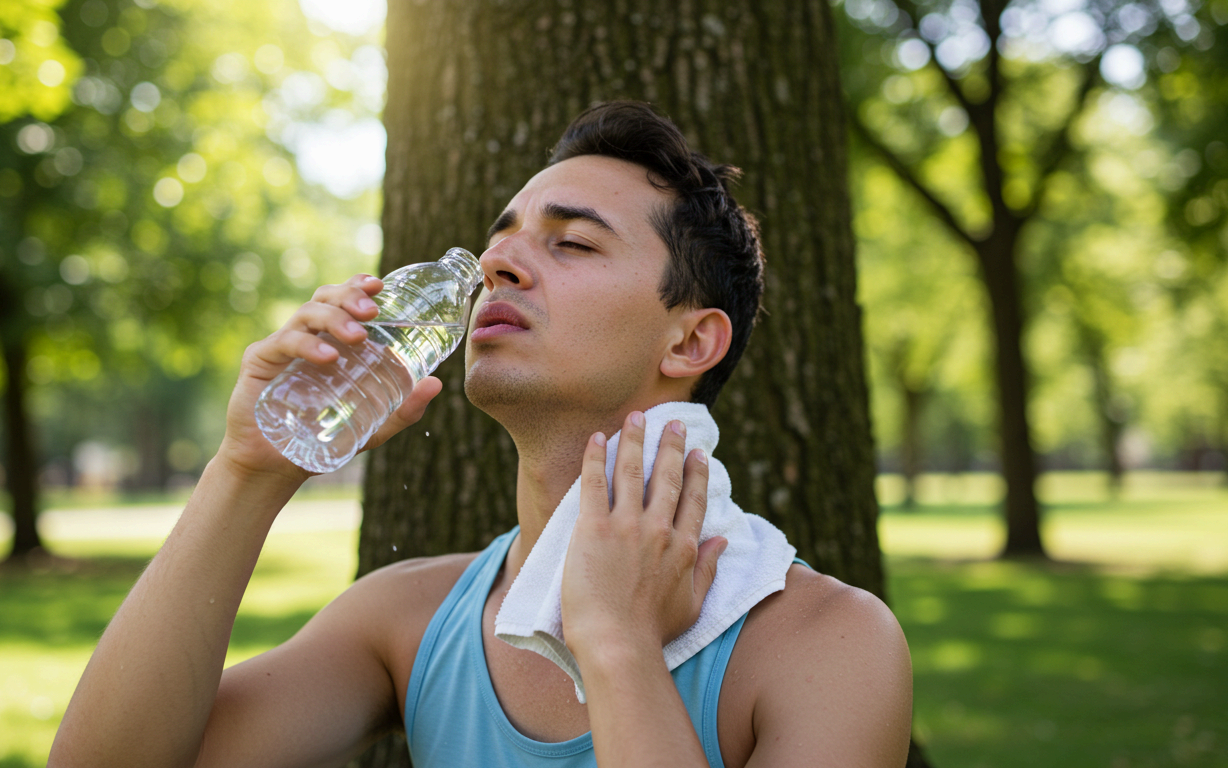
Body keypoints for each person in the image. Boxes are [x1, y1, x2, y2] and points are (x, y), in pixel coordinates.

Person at [49, 101, 912, 768]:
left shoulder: (826, 646)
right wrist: (249, 470)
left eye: (572, 243)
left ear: (689, 341)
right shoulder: (409, 621)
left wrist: (614, 642)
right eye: (503, 239)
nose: (497, 262)